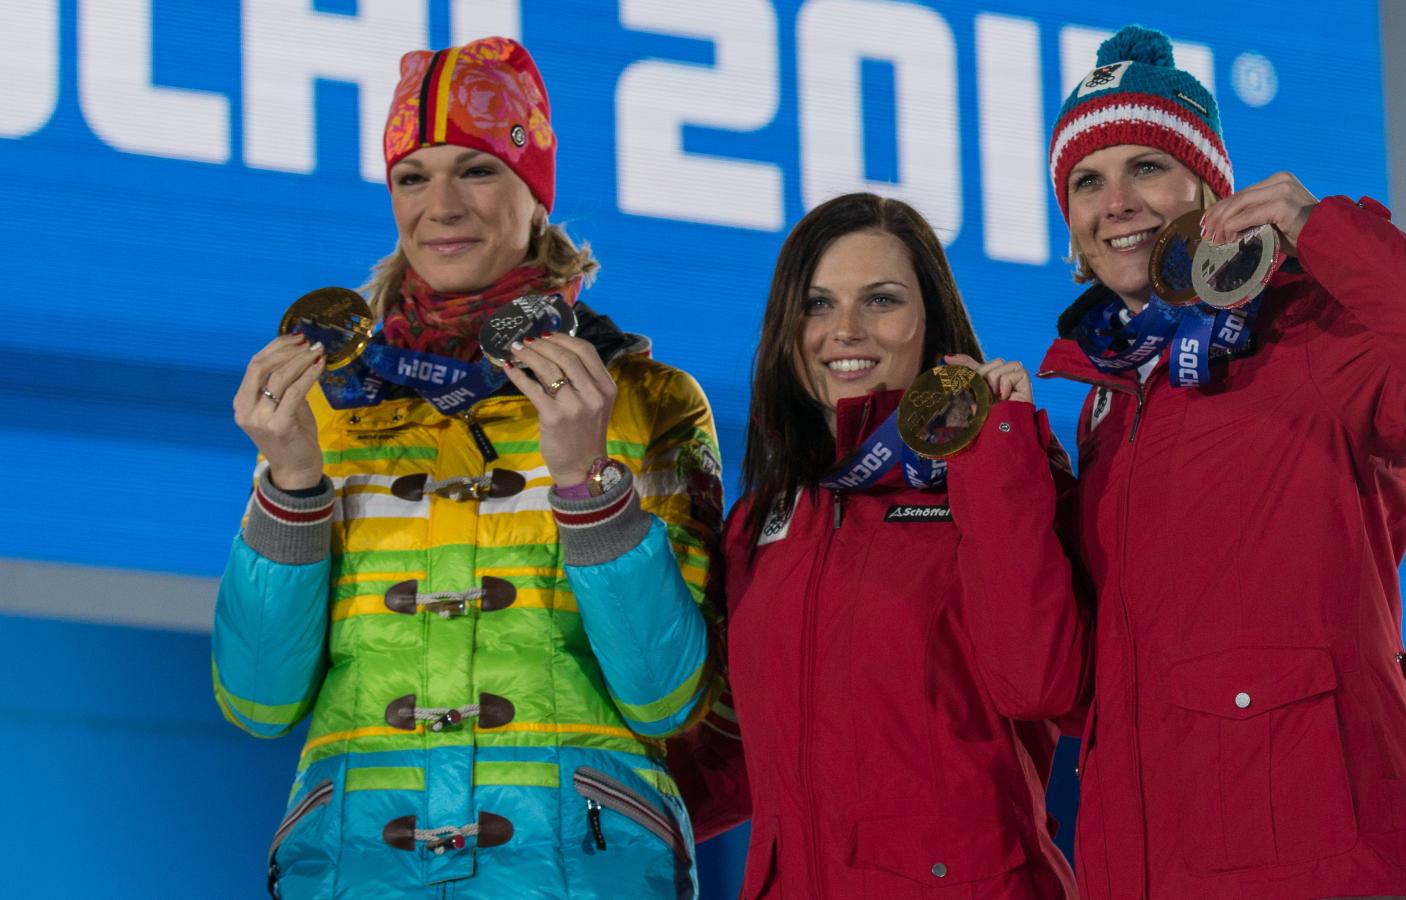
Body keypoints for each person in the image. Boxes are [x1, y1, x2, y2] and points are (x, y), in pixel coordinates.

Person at [1040, 25, 1406, 899]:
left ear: (1211, 191)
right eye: (1087, 181)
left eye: (1147, 167)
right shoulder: (1104, 405)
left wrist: (1325, 233)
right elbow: (1072, 691)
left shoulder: (1314, 328)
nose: (1115, 202)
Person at [212, 36, 722, 899]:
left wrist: (589, 487)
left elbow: (665, 696)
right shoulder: (327, 406)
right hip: (358, 873)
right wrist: (292, 485)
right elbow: (258, 699)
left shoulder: (644, 399)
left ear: (536, 195)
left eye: (477, 170)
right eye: (412, 177)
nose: (440, 206)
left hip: (576, 873)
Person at [649, 192, 1092, 897]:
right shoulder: (761, 521)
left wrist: (995, 453)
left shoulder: (1000, 472)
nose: (844, 331)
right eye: (817, 305)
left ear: (931, 320)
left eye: (880, 301)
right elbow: (740, 761)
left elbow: (1040, 684)